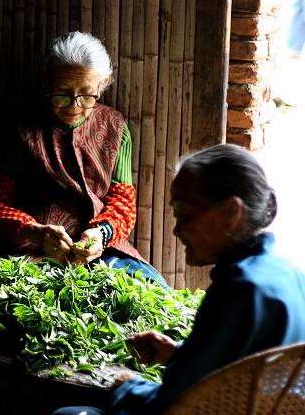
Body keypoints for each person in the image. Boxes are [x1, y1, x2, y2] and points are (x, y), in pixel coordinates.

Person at [52, 143, 305, 415]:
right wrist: (178, 353)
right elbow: (238, 367)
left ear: (231, 213)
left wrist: (128, 388)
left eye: (184, 214)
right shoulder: (289, 272)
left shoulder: (239, 289)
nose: (176, 229)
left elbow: (173, 405)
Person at [0, 31, 168, 288]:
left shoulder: (115, 127)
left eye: (86, 94)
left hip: (104, 249)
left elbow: (123, 201)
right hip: (36, 249)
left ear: (103, 84)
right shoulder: (22, 129)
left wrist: (101, 234)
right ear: (48, 81)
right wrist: (33, 230)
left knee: (149, 294)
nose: (73, 105)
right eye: (62, 93)